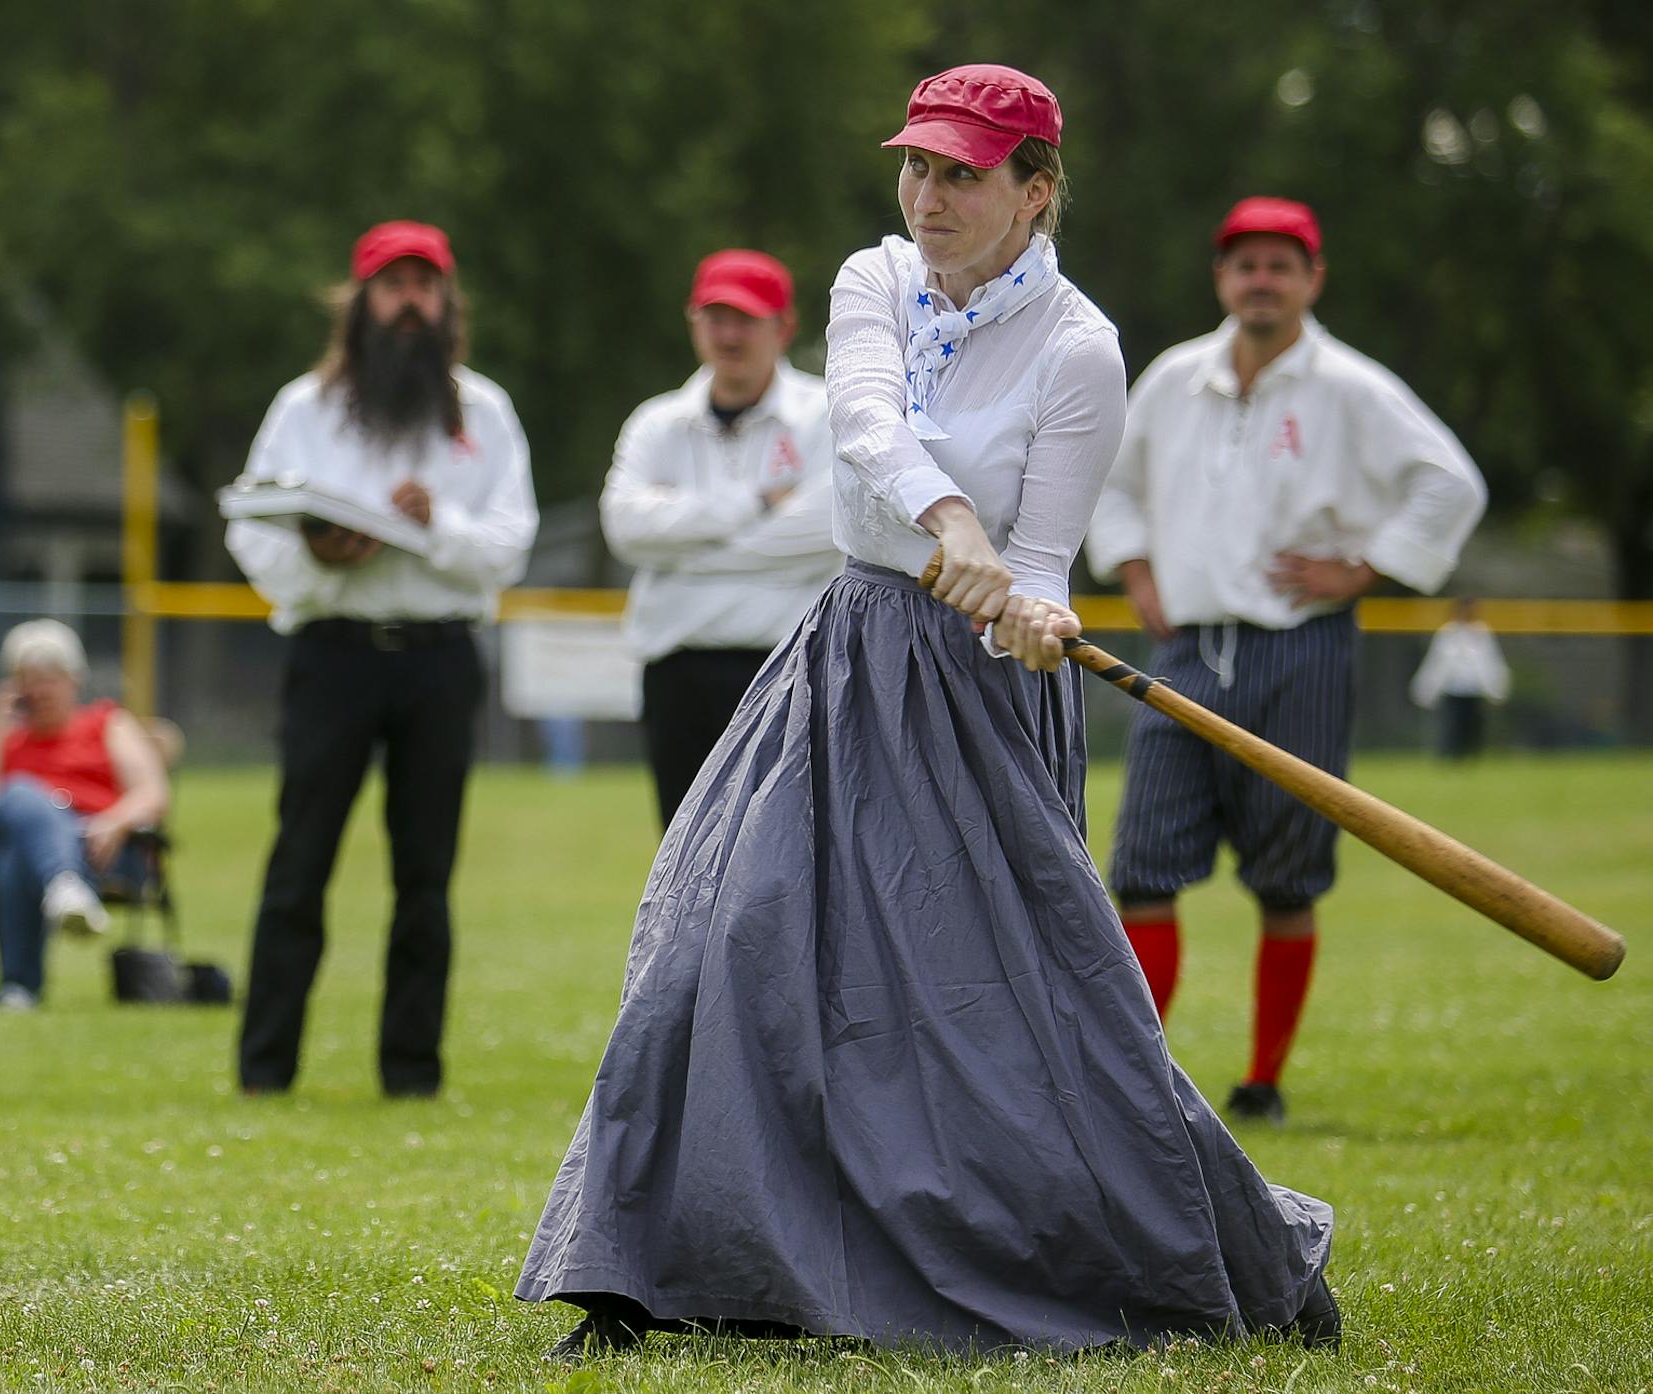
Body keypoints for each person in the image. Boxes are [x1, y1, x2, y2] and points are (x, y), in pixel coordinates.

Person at [518, 65, 1336, 1360]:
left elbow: (1050, 556)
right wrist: (952, 519)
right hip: (844, 656)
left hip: (979, 695)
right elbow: (861, 419)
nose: (930, 194)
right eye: (919, 166)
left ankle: (1233, 1253)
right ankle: (645, 1270)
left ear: (1036, 190)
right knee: (712, 938)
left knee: (1013, 1011)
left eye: (963, 173)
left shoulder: (1079, 345)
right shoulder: (873, 277)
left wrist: (1031, 606)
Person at [1084, 197, 1488, 1122]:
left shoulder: (1351, 386)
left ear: (1313, 279)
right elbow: (1113, 482)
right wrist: (1134, 566)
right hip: (1183, 652)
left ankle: (1262, 1080)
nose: (1260, 280)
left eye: (1280, 264)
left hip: (1299, 646)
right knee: (1143, 866)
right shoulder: (1175, 378)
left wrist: (1368, 568)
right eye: (1244, 264)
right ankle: (1139, 1088)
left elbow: (1450, 484)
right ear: (1222, 277)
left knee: (1287, 876)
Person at [226, 220, 537, 1097]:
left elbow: (508, 547)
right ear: (360, 301)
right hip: (333, 652)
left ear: (447, 302)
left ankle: (411, 1074)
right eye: (393, 285)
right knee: (299, 863)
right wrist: (316, 564)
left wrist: (432, 524)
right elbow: (250, 526)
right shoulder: (304, 409)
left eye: (425, 285)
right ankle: (265, 1071)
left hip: (438, 657)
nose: (411, 302)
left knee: (425, 875)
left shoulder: (484, 412)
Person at [600, 249, 843, 826]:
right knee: (682, 862)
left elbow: (827, 530)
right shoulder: (656, 422)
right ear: (693, 321)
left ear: (784, 327)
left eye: (746, 319)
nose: (728, 334)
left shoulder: (827, 412)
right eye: (715, 316)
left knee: (788, 853)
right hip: (677, 674)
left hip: (790, 667)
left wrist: (679, 556)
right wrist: (755, 504)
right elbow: (625, 528)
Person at [0, 619, 171, 1009]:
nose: (40, 690)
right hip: (31, 845)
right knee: (20, 795)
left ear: (74, 681)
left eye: (50, 678)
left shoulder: (106, 723)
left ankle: (18, 988)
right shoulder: (5, 738)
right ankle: (63, 885)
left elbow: (152, 791)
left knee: (15, 854)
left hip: (101, 851)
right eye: (28, 679)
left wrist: (116, 821)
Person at [1410, 596, 1510, 760]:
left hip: (1474, 689)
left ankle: (1471, 755)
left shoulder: (1481, 633)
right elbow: (1436, 662)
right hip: (1453, 689)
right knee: (1452, 725)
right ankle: (1451, 756)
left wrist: (1497, 686)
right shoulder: (1448, 633)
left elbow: (1490, 661)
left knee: (1473, 726)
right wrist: (1426, 687)